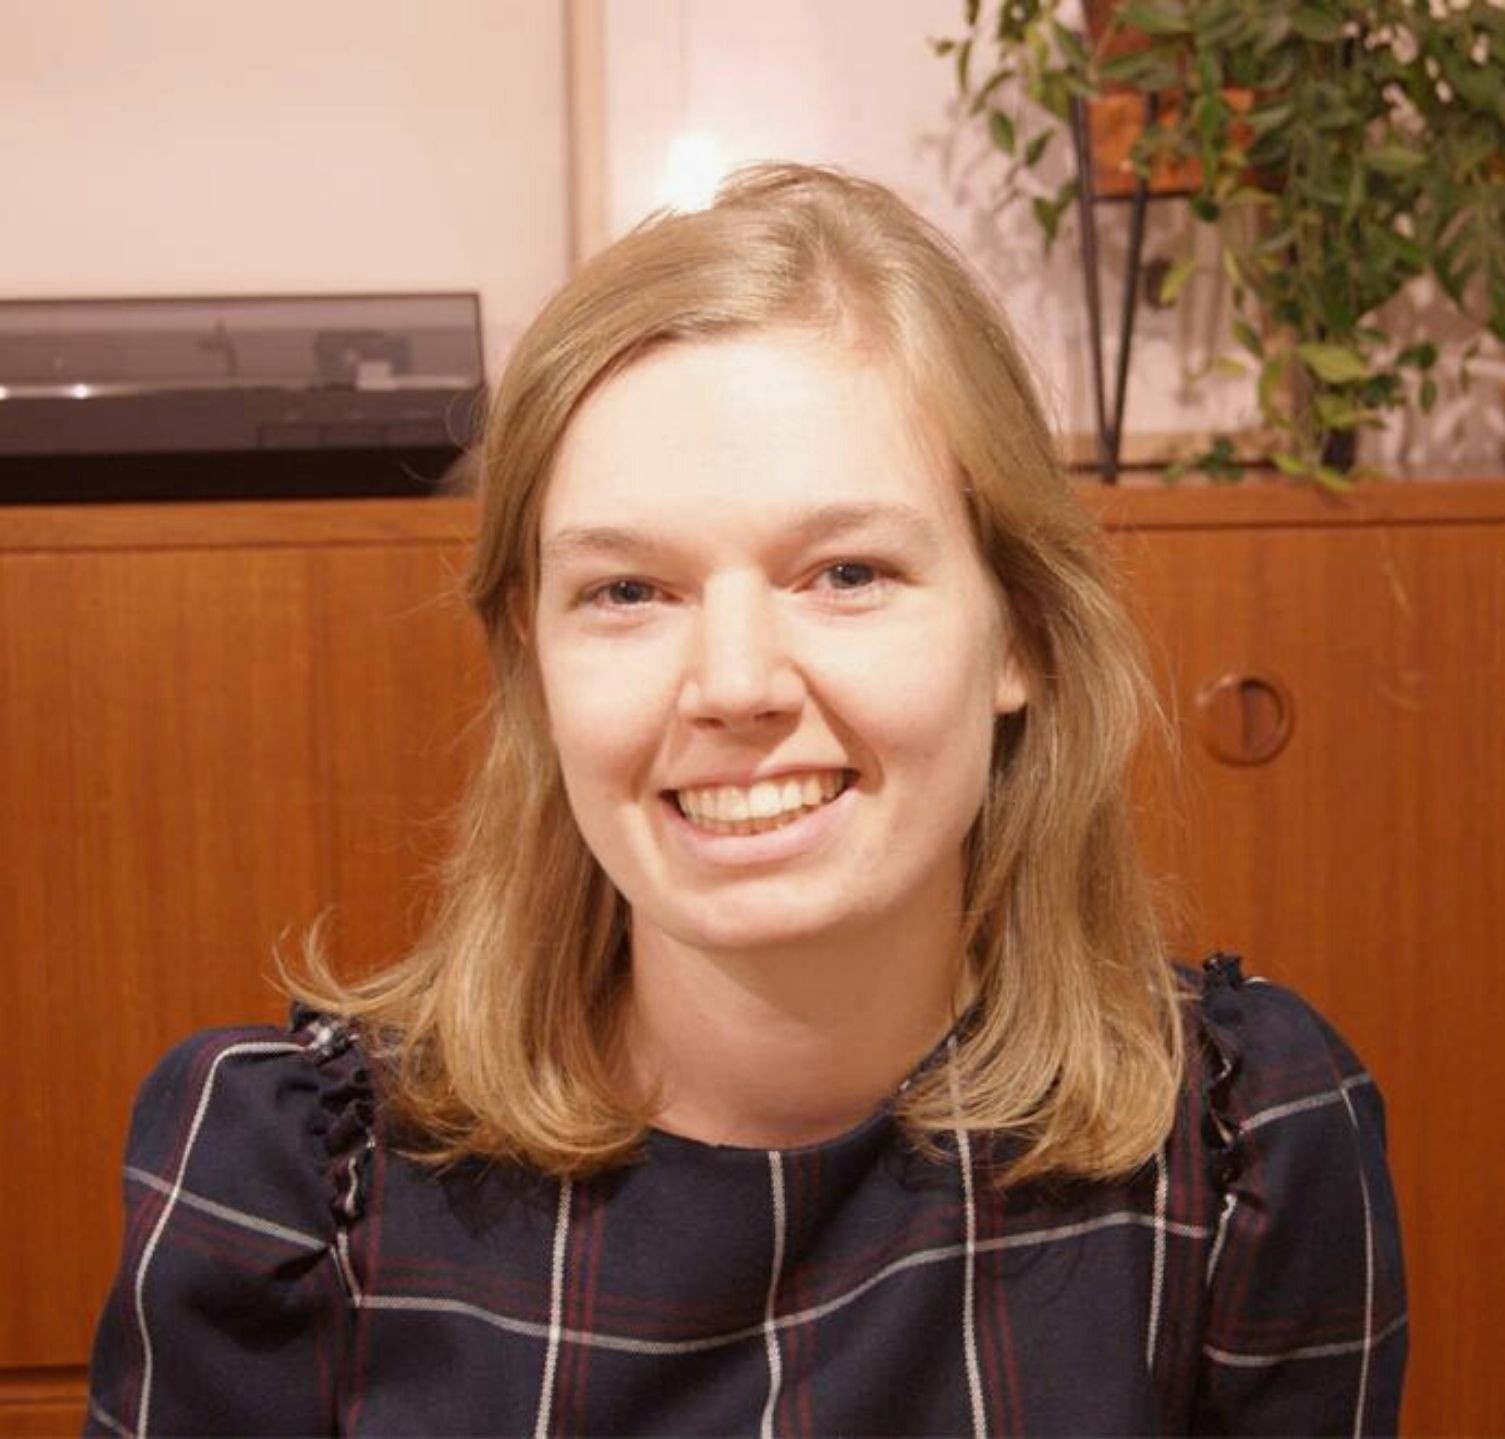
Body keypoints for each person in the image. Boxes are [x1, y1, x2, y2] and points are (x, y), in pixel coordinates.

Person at [86, 163, 1406, 1437]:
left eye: (845, 573)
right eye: (627, 591)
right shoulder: (291, 1189)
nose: (732, 685)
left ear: (1019, 634)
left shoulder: (1246, 1155)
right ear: (534, 660)